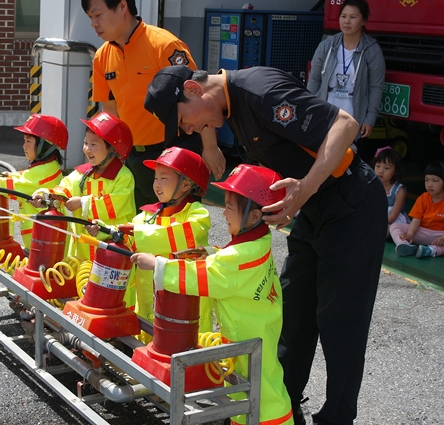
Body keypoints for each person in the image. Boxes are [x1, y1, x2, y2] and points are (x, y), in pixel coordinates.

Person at [144, 65, 387, 425]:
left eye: (183, 120)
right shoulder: (230, 108)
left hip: (351, 204)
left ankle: (337, 418)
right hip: (313, 209)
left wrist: (305, 188)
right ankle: (281, 407)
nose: (189, 130)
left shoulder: (260, 92)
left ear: (193, 89)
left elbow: (345, 125)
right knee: (293, 310)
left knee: (341, 320)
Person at [131, 164, 294, 425]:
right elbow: (228, 265)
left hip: (244, 336)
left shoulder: (236, 257)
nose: (223, 213)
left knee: (258, 390)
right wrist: (211, 252)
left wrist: (158, 265)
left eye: (229, 207)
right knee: (263, 379)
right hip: (261, 326)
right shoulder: (258, 242)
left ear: (253, 216)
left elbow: (203, 277)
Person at [81, 0, 225, 209]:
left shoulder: (165, 46)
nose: (94, 24)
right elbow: (110, 111)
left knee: (176, 224)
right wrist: (107, 154)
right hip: (132, 158)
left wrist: (210, 148)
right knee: (137, 222)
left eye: (97, 15)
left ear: (122, 7)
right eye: (90, 17)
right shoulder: (102, 57)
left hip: (174, 152)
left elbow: (200, 100)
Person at [86, 146, 211, 341]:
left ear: (186, 185)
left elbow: (182, 235)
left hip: (185, 300)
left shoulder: (197, 214)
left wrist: (136, 232)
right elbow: (130, 238)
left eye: (163, 178)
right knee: (149, 340)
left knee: (185, 343)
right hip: (148, 297)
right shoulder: (147, 215)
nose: (157, 184)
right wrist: (106, 230)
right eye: (155, 178)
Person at [33, 111, 136, 262]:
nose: (87, 149)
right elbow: (64, 189)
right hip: (81, 250)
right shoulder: (82, 173)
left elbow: (115, 204)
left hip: (111, 253)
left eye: (93, 144)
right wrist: (46, 196)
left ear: (113, 149)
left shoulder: (123, 177)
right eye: (86, 143)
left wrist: (82, 202)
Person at [0, 114, 68, 248]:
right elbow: (23, 177)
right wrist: (8, 175)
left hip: (43, 245)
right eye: (24, 141)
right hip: (45, 242)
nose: (24, 146)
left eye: (28, 141)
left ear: (45, 145)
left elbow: (11, 186)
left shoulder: (41, 173)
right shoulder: (49, 167)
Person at [306, 0, 385, 144]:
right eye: (343, 16)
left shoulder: (371, 50)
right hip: (326, 114)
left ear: (363, 21)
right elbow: (315, 78)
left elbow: (376, 87)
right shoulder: (327, 46)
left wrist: (370, 118)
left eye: (353, 17)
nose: (347, 21)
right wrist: (309, 107)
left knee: (348, 153)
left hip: (353, 116)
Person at [390, 161, 444, 259]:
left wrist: (443, 238)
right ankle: (404, 244)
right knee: (395, 226)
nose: (429, 184)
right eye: (426, 180)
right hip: (423, 231)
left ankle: (431, 250)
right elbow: (416, 220)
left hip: (441, 234)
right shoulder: (423, 198)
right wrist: (410, 235)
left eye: (435, 181)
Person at [372, 146, 409, 234]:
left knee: (388, 230)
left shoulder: (399, 190)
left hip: (394, 221)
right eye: (378, 166)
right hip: (377, 219)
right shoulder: (372, 186)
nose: (380, 171)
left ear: (395, 171)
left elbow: (393, 216)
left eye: (386, 168)